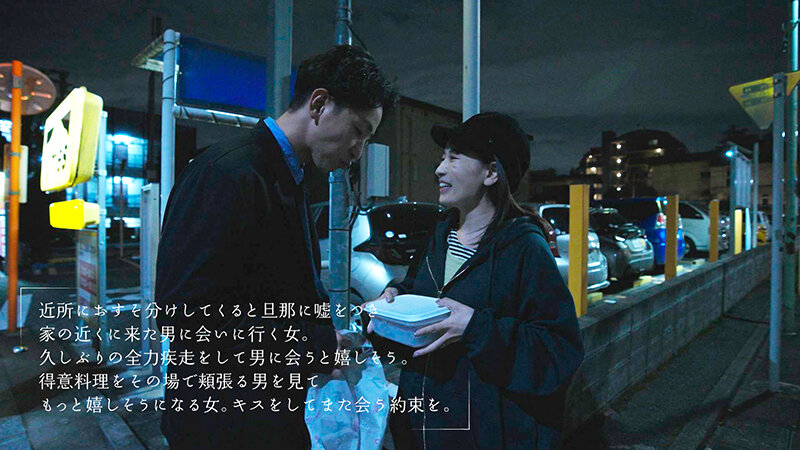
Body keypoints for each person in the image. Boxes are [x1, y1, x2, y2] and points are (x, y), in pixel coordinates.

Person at [155, 45, 398, 449]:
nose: (358, 151)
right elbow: (183, 314)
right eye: (358, 131)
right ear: (319, 104)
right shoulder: (230, 172)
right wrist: (314, 344)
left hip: (260, 417)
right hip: (222, 425)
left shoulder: (284, 175)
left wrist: (324, 339)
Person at [367, 112, 585, 449]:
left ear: (491, 172)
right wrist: (393, 300)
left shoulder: (524, 247)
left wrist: (475, 327)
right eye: (442, 157)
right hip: (420, 427)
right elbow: (423, 295)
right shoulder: (438, 236)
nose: (440, 169)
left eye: (454, 157)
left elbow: (558, 351)